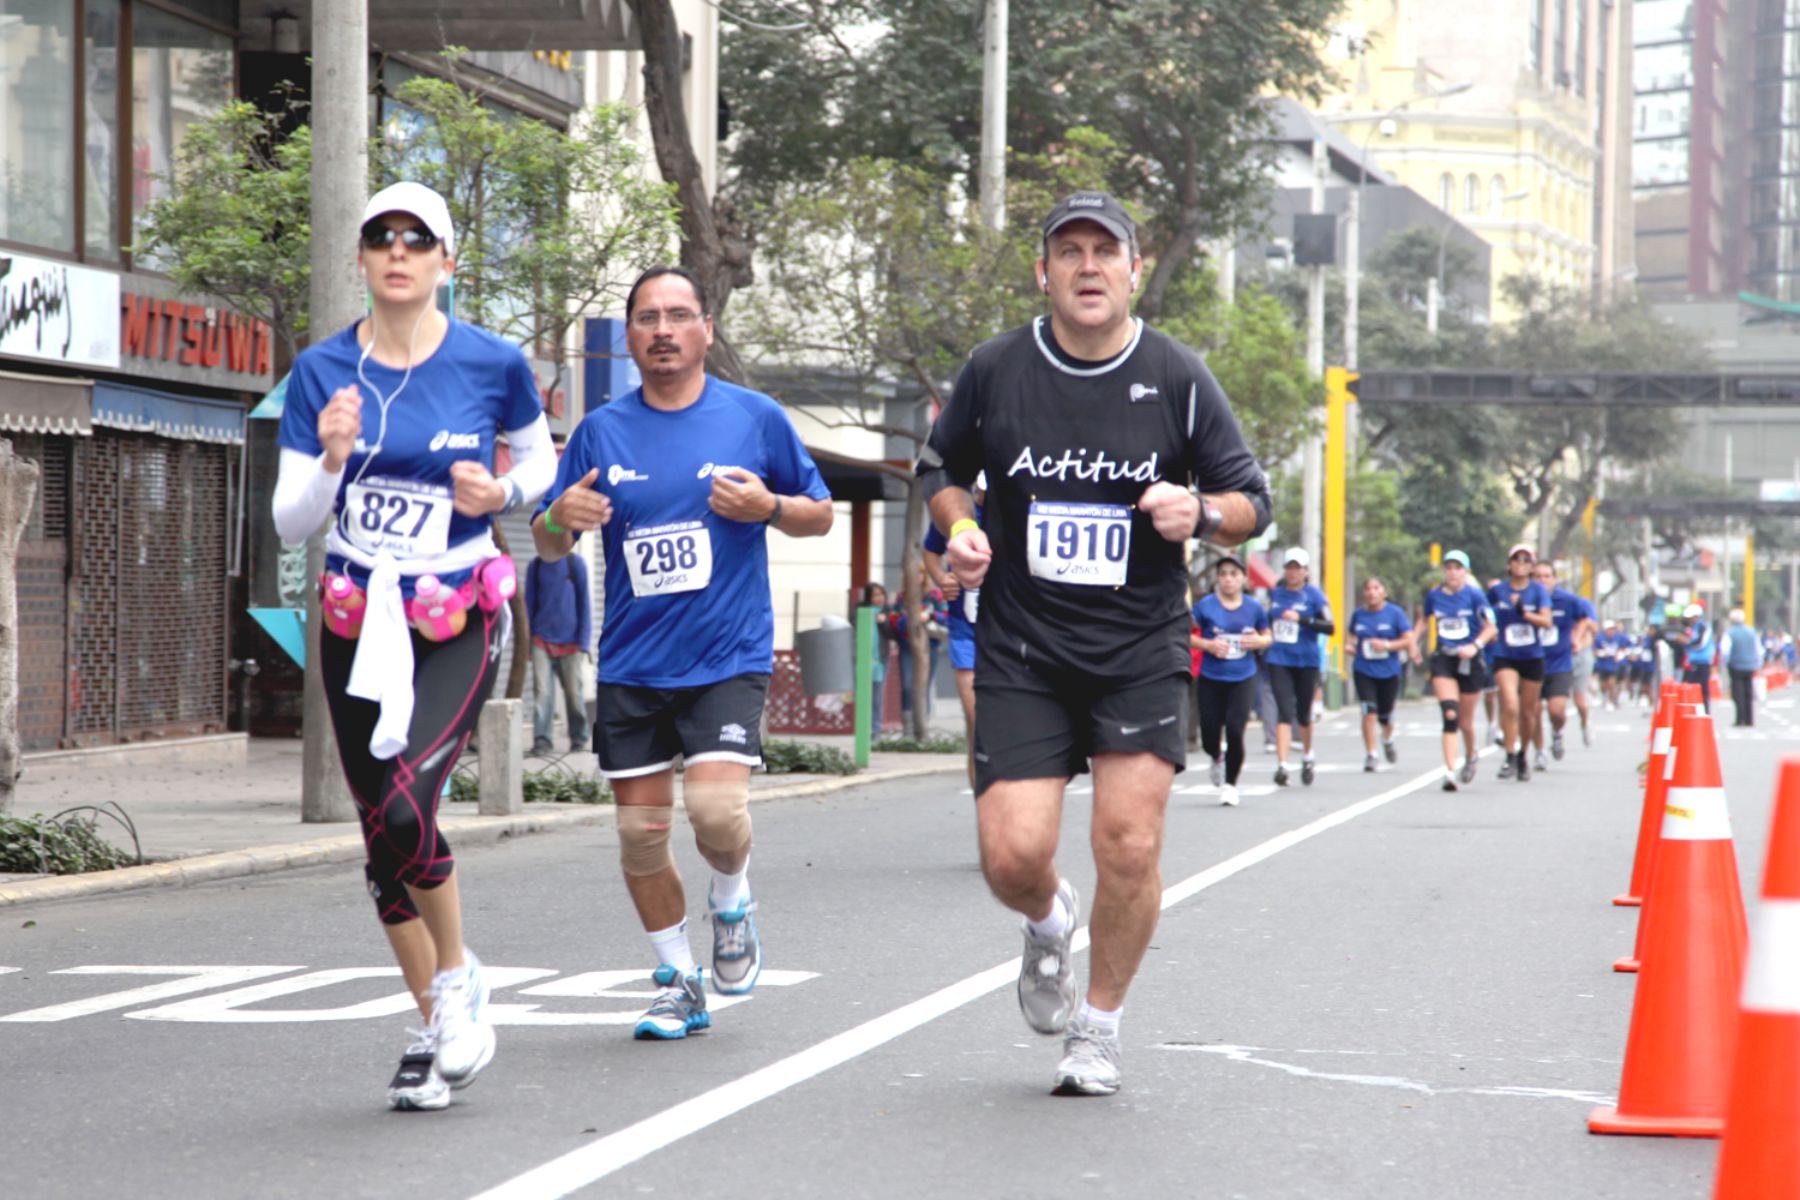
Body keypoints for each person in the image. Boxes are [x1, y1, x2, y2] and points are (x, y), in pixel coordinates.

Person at [918, 190, 1271, 1096]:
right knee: (1012, 855)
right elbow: (943, 471)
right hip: (1023, 649)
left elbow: (1250, 504)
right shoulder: (998, 369)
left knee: (1127, 843)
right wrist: (959, 527)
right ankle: (1046, 922)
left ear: (1132, 270)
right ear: (1044, 272)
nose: (1086, 266)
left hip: (1137, 648)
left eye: (1102, 252)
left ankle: (1100, 1028)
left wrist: (1202, 513)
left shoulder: (1178, 376)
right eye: (1067, 252)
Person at [272, 182, 556, 1110]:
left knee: (407, 811)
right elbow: (288, 523)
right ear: (361, 257)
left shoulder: (493, 362)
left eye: (417, 239)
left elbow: (541, 461)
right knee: (378, 840)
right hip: (358, 617)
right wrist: (329, 460)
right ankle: (437, 1025)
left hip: (454, 618)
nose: (398, 251)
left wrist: (502, 497)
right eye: (381, 237)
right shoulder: (321, 372)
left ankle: (460, 981)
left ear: (446, 262)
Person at [531, 265, 834, 1041]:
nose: (662, 330)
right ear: (629, 336)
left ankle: (731, 898)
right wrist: (561, 517)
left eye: (678, 315)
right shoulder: (601, 430)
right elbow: (548, 536)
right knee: (639, 837)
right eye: (646, 318)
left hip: (727, 655)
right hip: (633, 660)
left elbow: (819, 516)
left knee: (716, 809)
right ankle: (678, 981)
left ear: (706, 330)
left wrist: (768, 506)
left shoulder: (755, 418)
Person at [1191, 554, 1270, 807]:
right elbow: (1184, 635)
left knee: (1236, 730)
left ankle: (1231, 785)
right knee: (1210, 733)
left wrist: (1258, 641)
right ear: (1217, 578)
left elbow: (1268, 636)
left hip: (1243, 676)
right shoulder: (1205, 606)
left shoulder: (1254, 607)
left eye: (1233, 574)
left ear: (1243, 579)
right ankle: (1216, 756)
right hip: (1211, 676)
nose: (1228, 579)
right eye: (1223, 574)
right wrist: (1208, 645)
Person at [924, 475, 985, 779]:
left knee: (1004, 720)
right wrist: (941, 578)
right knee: (976, 715)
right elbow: (930, 550)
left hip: (1012, 629)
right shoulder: (958, 515)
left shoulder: (1017, 509)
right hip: (966, 630)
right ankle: (981, 780)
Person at [1421, 550, 1496, 792]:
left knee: (1465, 721)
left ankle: (1471, 753)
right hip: (1444, 658)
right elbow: (1423, 621)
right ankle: (1450, 771)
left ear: (1466, 572)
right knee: (1450, 714)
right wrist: (1412, 643)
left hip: (1470, 661)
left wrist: (1475, 646)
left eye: (1458, 567)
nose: (1453, 572)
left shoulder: (1475, 596)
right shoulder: (1434, 596)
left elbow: (1490, 627)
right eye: (1449, 567)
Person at [1265, 547, 1334, 786]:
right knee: (1284, 711)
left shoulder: (1315, 596)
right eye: (1289, 567)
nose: (1293, 572)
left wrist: (1302, 619)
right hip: (1279, 659)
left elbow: (1330, 626)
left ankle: (1307, 755)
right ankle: (1282, 765)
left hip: (1306, 660)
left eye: (1298, 568)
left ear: (1305, 571)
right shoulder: (1275, 594)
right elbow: (1266, 620)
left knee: (1303, 714)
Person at [1486, 545, 1553, 781]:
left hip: (1532, 657)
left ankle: (1524, 753)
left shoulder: (1538, 592)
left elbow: (1546, 621)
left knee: (1527, 713)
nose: (1521, 563)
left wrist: (1524, 613)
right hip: (1505, 654)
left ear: (1532, 566)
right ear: (1509, 564)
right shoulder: (1498, 591)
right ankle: (1510, 754)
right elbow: (1483, 613)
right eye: (1516, 559)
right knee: (1510, 705)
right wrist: (1489, 630)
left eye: (1526, 559)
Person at [525, 548, 593, 755]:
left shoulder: (576, 564)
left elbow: (584, 603)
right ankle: (542, 740)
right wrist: (527, 643)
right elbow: (528, 606)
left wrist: (584, 641)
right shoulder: (535, 567)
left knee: (574, 693)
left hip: (571, 642)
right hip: (541, 640)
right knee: (542, 693)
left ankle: (579, 737)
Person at [1529, 560, 1596, 768]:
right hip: (1532, 662)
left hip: (1560, 663)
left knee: (1557, 710)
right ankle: (1540, 751)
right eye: (1537, 576)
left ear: (1554, 579)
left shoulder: (1567, 601)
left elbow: (1586, 620)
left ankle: (1557, 732)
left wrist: (1576, 638)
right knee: (1535, 710)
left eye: (1546, 576)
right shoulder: (1525, 599)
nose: (1542, 580)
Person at [1346, 577, 1414, 772]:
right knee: (1368, 712)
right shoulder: (1358, 615)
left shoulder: (1395, 613)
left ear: (1384, 592)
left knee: (1385, 715)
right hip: (1363, 669)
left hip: (1389, 670)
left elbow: (1408, 639)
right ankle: (1371, 754)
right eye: (1368, 588)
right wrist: (1350, 645)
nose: (1372, 592)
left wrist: (1386, 645)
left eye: (1376, 588)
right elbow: (1351, 636)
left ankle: (1387, 738)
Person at [1672, 602, 1716, 712]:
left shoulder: (1702, 626)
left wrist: (1686, 642)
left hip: (1702, 661)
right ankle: (1695, 710)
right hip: (1695, 661)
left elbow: (1699, 643)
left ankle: (1704, 711)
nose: (1689, 620)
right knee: (1692, 687)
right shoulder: (1695, 627)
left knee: (1701, 688)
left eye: (1691, 618)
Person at [859, 582, 890, 734]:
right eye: (875, 595)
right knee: (863, 696)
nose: (879, 598)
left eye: (881, 594)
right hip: (863, 659)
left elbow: (892, 634)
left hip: (881, 659)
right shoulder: (860, 611)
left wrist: (883, 623)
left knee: (877, 697)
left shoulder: (887, 612)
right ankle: (863, 729)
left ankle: (876, 730)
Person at [1724, 607, 1761, 727]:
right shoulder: (1752, 632)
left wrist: (1725, 663)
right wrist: (1757, 663)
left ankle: (1740, 719)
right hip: (1750, 666)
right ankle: (1749, 719)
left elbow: (1725, 651)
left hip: (1736, 665)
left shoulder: (1730, 632)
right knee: (1748, 692)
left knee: (1738, 693)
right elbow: (1759, 650)